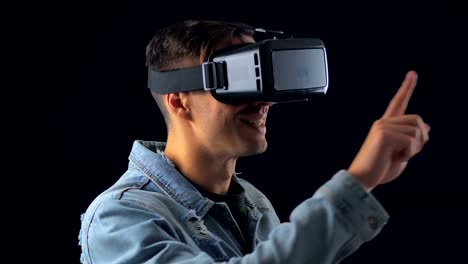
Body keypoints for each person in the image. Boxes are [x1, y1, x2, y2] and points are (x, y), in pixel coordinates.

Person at [78, 20, 430, 263]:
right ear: (179, 100)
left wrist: (368, 183)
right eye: (240, 81)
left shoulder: (254, 204)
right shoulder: (120, 218)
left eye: (263, 80)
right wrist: (357, 181)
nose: (264, 101)